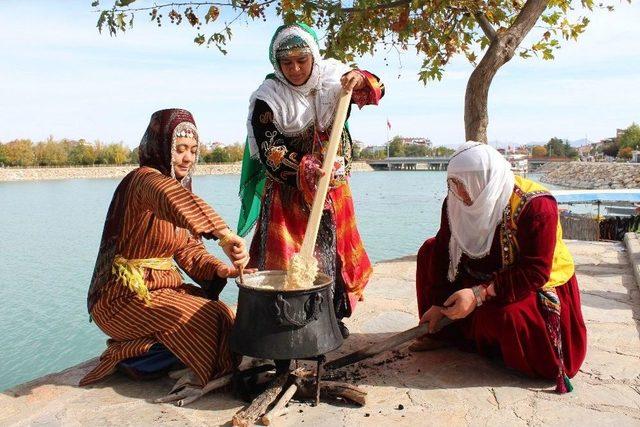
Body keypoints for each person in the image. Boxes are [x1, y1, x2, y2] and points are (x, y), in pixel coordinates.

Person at [80, 109, 250, 403]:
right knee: (201, 320)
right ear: (161, 148)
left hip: (161, 286)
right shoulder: (144, 181)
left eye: (194, 151)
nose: (188, 158)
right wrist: (223, 233)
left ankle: (155, 355)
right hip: (121, 295)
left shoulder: (180, 190)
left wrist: (221, 270)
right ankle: (126, 355)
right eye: (180, 149)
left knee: (220, 313)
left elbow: (188, 249)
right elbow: (170, 197)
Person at [237, 23, 384, 337]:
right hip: (288, 197)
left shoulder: (335, 77)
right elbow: (269, 151)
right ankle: (286, 323)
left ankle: (330, 319)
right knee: (287, 261)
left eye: (301, 60)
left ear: (314, 56)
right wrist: (305, 169)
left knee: (335, 252)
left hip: (333, 188)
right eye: (286, 62)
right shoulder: (268, 97)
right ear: (276, 63)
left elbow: (376, 88)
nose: (294, 68)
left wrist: (360, 78)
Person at [412, 141, 587, 393]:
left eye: (462, 183)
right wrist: (439, 304)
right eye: (452, 183)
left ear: (484, 179)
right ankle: (444, 333)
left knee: (506, 317)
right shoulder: (454, 202)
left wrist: (479, 294)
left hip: (525, 283)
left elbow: (535, 271)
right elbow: (442, 250)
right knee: (428, 251)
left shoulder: (535, 206)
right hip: (476, 276)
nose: (456, 191)